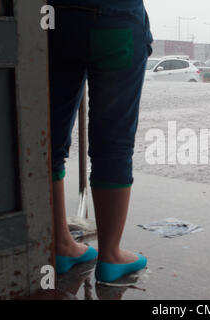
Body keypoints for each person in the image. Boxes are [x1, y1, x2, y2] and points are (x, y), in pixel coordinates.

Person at [48, 0, 153, 283]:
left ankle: (61, 245)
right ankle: (110, 255)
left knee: (49, 138)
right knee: (114, 143)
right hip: (115, 18)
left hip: (55, 19)